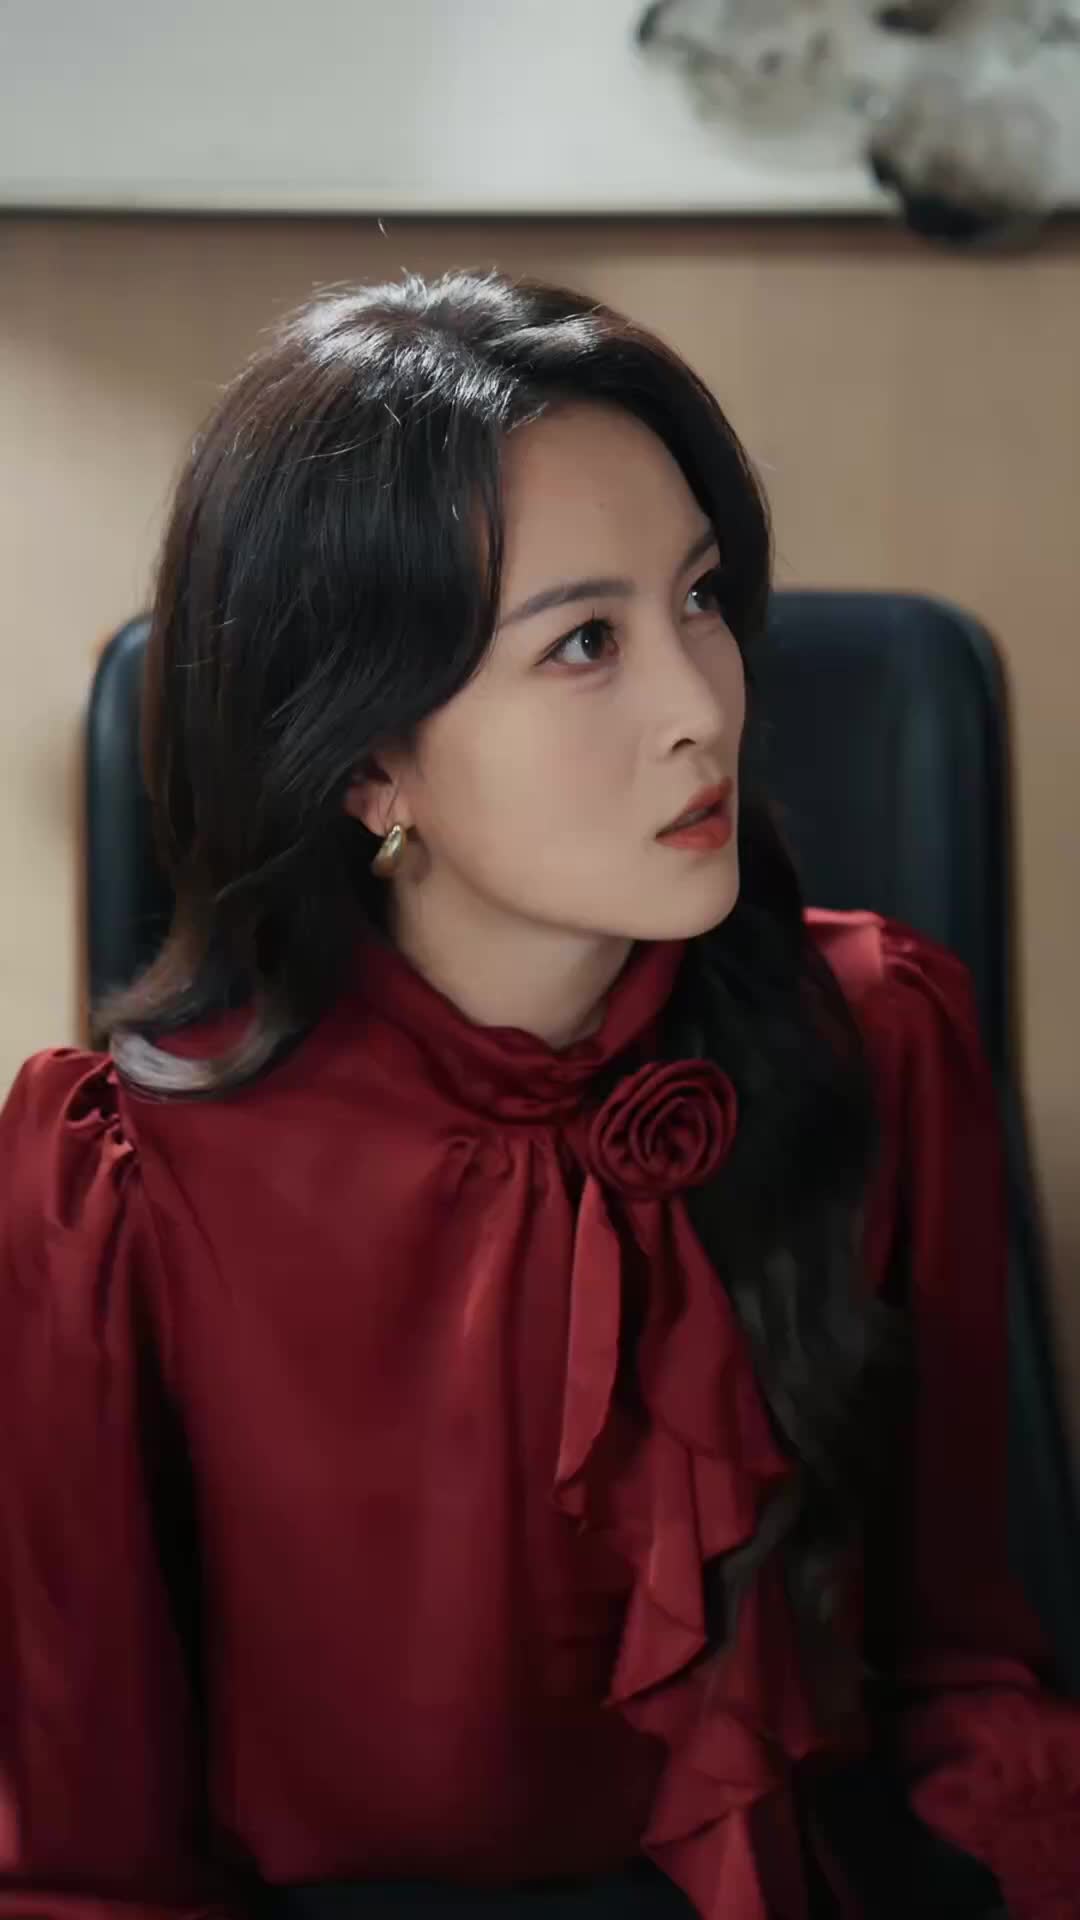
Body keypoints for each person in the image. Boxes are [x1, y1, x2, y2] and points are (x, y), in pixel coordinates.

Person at [0, 271, 1076, 1920]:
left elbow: (970, 1670)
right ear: (370, 761)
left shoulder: (878, 1033)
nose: (702, 707)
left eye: (700, 598)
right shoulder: (117, 1190)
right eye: (585, 642)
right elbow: (91, 1868)